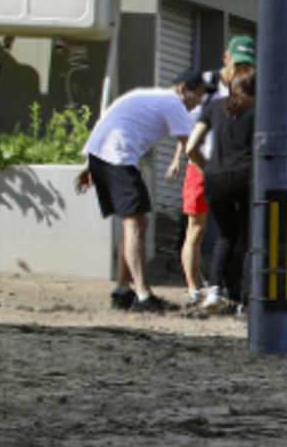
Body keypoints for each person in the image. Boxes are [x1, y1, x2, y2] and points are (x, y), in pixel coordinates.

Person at [77, 70, 214, 313]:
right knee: (136, 224)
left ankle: (123, 290)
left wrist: (90, 164)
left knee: (136, 224)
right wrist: (210, 174)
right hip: (116, 156)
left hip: (105, 155)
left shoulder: (153, 97)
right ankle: (143, 296)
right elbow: (190, 147)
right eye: (199, 95)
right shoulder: (173, 103)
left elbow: (110, 120)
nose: (199, 101)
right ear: (184, 88)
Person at [169, 36, 257, 308]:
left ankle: (223, 290)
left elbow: (192, 139)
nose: (241, 69)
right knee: (207, 231)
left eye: (246, 65)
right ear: (226, 58)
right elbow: (185, 124)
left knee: (228, 235)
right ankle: (199, 290)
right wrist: (184, 160)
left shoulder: (229, 99)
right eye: (238, 63)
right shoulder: (206, 84)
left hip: (216, 171)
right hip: (218, 168)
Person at [190, 67, 256, 317]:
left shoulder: (214, 107)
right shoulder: (259, 110)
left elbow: (191, 146)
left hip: (215, 178)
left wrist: (206, 169)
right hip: (247, 177)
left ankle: (215, 290)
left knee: (225, 235)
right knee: (249, 239)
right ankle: (245, 302)